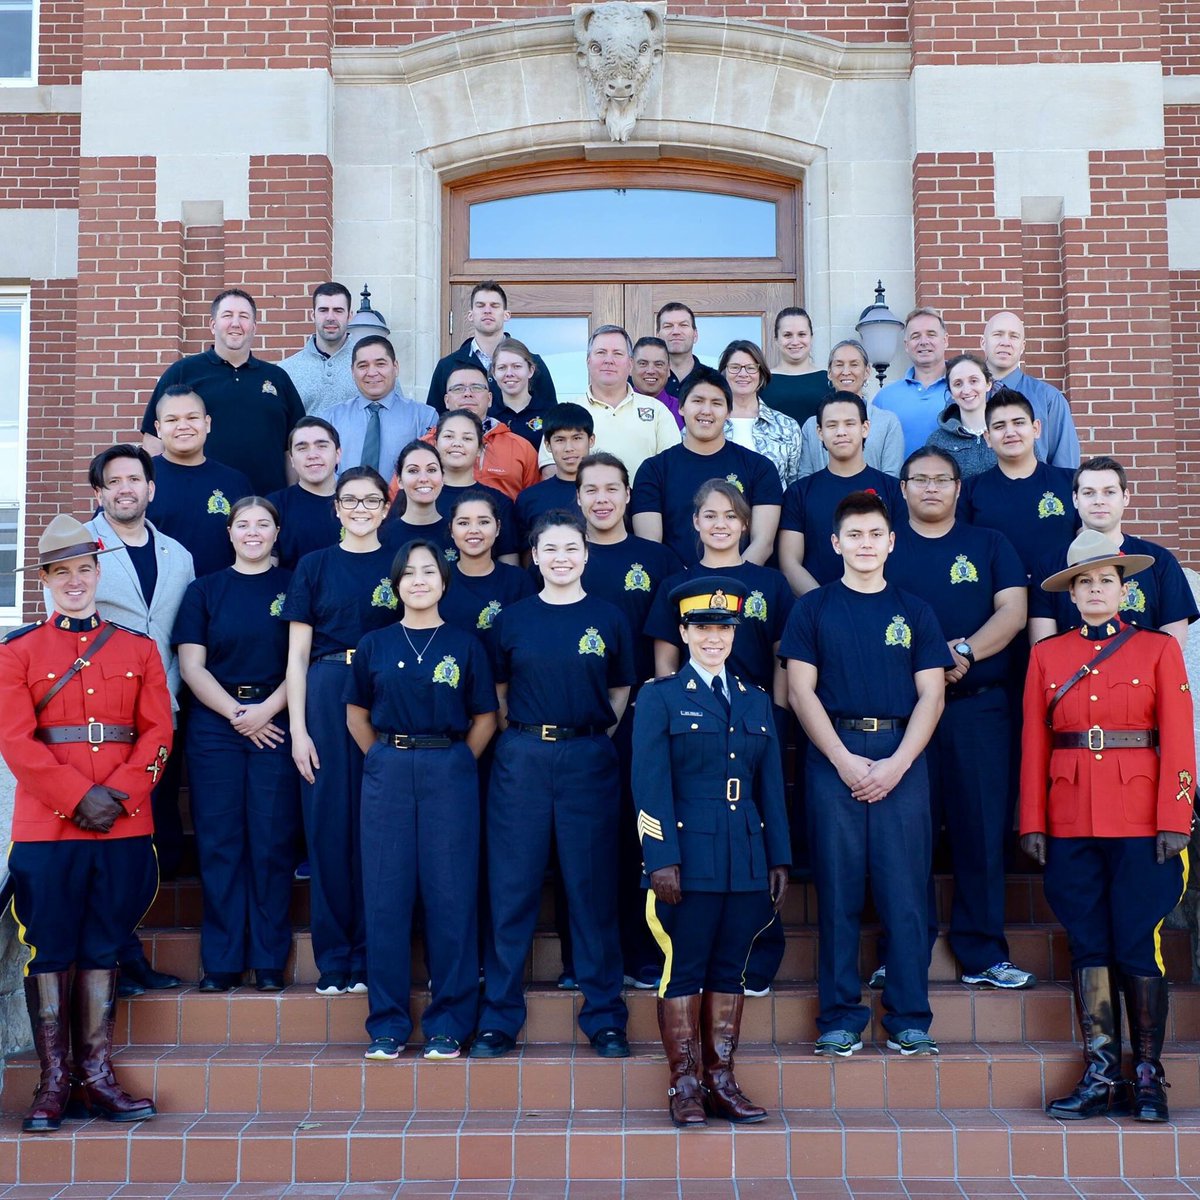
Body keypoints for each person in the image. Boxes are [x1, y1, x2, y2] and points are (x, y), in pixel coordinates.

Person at [0, 514, 173, 1132]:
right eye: (60, 572)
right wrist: (78, 798)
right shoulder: (18, 652)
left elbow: (158, 733)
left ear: (98, 573)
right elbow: (17, 742)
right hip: (48, 829)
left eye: (83, 569)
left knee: (103, 943)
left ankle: (96, 1078)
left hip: (122, 825)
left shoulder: (137, 648)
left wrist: (120, 795)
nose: (73, 581)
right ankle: (53, 1084)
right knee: (49, 949)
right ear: (45, 580)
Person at [1020, 530, 1194, 1122]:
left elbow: (1178, 737)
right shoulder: (1048, 656)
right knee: (1089, 944)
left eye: (1106, 581)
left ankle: (1147, 1075)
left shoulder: (1156, 650)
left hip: (1144, 819)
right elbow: (1034, 741)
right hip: (1071, 819)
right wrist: (1032, 818)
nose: (1095, 591)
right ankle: (1100, 1074)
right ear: (1070, 594)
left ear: (1124, 590)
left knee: (1134, 942)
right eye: (1084, 582)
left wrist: (1176, 813)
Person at [782, 491, 951, 1057]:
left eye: (874, 535)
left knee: (905, 892)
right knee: (839, 892)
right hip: (836, 754)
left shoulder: (916, 610)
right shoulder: (813, 609)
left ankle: (908, 1016)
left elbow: (932, 694)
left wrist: (899, 762)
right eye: (853, 536)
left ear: (891, 542)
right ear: (835, 544)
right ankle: (839, 1016)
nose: (864, 545)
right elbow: (800, 692)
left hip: (903, 753)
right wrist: (843, 759)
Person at [471, 510, 634, 1060]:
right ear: (534, 557)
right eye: (550, 550)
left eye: (571, 549)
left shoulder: (608, 617)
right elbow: (495, 692)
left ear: (586, 555)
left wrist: (587, 736)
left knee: (591, 889)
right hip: (521, 757)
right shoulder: (511, 619)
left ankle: (605, 1016)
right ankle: (498, 1017)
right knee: (512, 888)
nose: (561, 559)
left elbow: (619, 692)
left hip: (588, 756)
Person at [634, 576, 790, 1127]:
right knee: (684, 968)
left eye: (723, 628)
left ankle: (721, 1081)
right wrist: (660, 859)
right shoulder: (660, 697)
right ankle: (684, 1085)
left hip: (744, 857)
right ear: (684, 632)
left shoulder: (755, 699)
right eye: (703, 627)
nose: (714, 638)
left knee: (731, 968)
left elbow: (770, 784)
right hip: (687, 860)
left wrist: (778, 858)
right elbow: (649, 785)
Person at [346, 539, 498, 1061]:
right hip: (388, 769)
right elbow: (356, 715)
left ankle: (449, 1022)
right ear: (395, 585)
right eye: (408, 573)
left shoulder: (465, 644)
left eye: (428, 572)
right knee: (386, 899)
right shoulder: (374, 644)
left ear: (443, 581)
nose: (418, 581)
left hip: (449, 769)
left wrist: (453, 761)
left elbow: (484, 717)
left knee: (451, 897)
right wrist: (387, 760)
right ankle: (387, 1024)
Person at [887, 448, 1034, 991]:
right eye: (919, 479)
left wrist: (964, 652)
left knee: (981, 830)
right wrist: (927, 665)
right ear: (902, 488)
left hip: (979, 710)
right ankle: (901, 952)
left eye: (941, 480)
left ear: (958, 488)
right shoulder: (885, 547)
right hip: (904, 714)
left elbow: (1014, 613)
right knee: (906, 837)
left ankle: (983, 953)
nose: (930, 488)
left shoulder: (989, 543)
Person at [173, 497, 299, 993]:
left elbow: (303, 660)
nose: (252, 532)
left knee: (270, 842)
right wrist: (237, 715)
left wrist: (266, 712)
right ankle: (222, 960)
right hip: (215, 727)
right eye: (242, 524)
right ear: (229, 533)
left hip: (277, 719)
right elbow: (190, 666)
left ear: (276, 531)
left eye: (262, 524)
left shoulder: (294, 585)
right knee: (220, 842)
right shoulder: (204, 590)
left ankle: (269, 959)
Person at [281, 466, 399, 996]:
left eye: (370, 500)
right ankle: (335, 959)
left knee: (378, 831)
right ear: (336, 508)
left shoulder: (399, 563)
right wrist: (299, 731)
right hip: (327, 690)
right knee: (328, 829)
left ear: (385, 507)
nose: (359, 509)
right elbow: (297, 655)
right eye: (349, 501)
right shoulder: (313, 565)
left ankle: (377, 955)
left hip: (385, 693)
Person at [84, 445, 194, 996]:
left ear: (152, 488)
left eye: (135, 478)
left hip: (161, 717)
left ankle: (129, 954)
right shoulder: (80, 549)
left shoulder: (178, 554)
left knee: (145, 842)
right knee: (110, 845)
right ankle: (113, 958)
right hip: (99, 724)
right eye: (114, 481)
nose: (126, 488)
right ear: (99, 493)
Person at [576, 451, 684, 988]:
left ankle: (646, 951)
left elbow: (672, 647)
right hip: (581, 723)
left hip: (645, 720)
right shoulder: (562, 556)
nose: (600, 499)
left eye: (610, 488)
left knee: (645, 835)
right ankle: (591, 958)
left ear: (626, 496)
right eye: (590, 489)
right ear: (577, 499)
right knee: (591, 841)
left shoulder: (658, 560)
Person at [141, 288, 306, 495]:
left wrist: (291, 498)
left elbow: (292, 449)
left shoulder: (278, 378)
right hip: (196, 499)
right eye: (227, 315)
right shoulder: (183, 372)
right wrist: (158, 494)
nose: (235, 323)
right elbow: (153, 442)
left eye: (244, 317)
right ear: (213, 324)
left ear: (254, 327)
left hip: (266, 505)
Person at [1028, 456, 1198, 647]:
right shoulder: (1049, 567)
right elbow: (1043, 648)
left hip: (1142, 675)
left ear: (1125, 497)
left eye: (1109, 492)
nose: (1099, 501)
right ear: (1075, 499)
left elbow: (1172, 646)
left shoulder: (1159, 561)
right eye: (1089, 493)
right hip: (1072, 675)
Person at [631, 367, 782, 566]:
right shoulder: (654, 470)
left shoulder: (759, 468)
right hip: (676, 587)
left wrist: (729, 580)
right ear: (681, 407)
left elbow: (763, 543)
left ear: (729, 412)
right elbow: (651, 545)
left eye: (716, 403)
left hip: (741, 587)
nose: (706, 411)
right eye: (697, 401)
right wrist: (689, 583)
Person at [777, 392, 906, 595]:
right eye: (831, 425)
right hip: (817, 610)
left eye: (849, 423)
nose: (841, 432)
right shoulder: (799, 492)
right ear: (819, 432)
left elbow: (902, 555)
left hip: (881, 609)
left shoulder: (893, 490)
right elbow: (789, 562)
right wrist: (824, 606)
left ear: (865, 428)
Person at [958, 388, 1077, 577]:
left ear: (1036, 428)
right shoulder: (969, 491)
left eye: (1019, 423)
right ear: (988, 438)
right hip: (997, 600)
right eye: (999, 426)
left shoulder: (1072, 482)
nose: (1010, 432)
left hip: (1062, 598)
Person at [537, 325, 680, 482]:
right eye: (601, 353)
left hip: (643, 505)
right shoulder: (565, 412)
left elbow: (673, 468)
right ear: (588, 361)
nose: (609, 360)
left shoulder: (658, 410)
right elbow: (551, 470)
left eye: (617, 353)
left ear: (630, 364)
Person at [146, 386, 254, 577]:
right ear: (158, 428)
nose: (183, 426)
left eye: (192, 418)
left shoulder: (235, 482)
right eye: (172, 420)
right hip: (159, 600)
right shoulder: (140, 479)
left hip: (219, 600)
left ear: (207, 423)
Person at [428, 281, 557, 415]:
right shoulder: (447, 366)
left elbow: (552, 417)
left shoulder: (531, 362)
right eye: (480, 306)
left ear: (506, 315)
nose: (487, 310)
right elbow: (435, 420)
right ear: (470, 315)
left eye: (494, 306)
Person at [440, 491, 537, 659]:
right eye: (463, 523)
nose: (474, 530)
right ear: (451, 530)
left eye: (484, 522)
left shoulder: (519, 582)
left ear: (498, 528)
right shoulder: (438, 580)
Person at [326, 335, 437, 478]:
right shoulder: (330, 418)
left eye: (380, 364)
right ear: (353, 372)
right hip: (345, 499)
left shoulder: (424, 417)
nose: (372, 373)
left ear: (395, 368)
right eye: (363, 366)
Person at [981, 311, 1080, 469]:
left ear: (1023, 346)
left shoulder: (1049, 399)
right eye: (998, 334)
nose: (1005, 342)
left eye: (1013, 336)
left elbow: (1066, 470)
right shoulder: (964, 396)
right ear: (983, 342)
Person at [796, 340, 904, 478]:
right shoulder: (812, 426)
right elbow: (805, 478)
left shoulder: (888, 422)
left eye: (854, 364)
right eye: (839, 365)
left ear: (867, 371)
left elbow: (892, 478)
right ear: (829, 372)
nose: (846, 372)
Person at [439, 363, 541, 501]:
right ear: (446, 400)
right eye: (458, 388)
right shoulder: (427, 446)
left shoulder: (521, 448)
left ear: (490, 399)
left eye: (476, 387)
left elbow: (535, 506)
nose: (467, 394)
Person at [432, 410, 521, 563]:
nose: (457, 443)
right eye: (448, 436)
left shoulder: (499, 501)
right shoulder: (417, 496)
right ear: (435, 443)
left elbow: (509, 563)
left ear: (480, 448)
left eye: (467, 438)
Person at [719, 339, 803, 488]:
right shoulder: (708, 423)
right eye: (735, 367)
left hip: (775, 510)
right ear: (723, 373)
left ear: (761, 374)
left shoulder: (786, 426)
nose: (743, 374)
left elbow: (794, 484)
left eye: (751, 368)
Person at [513, 403, 595, 548]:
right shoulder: (530, 498)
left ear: (591, 440)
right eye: (560, 440)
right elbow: (526, 557)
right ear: (547, 445)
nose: (569, 448)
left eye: (577, 438)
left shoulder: (610, 494)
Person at [267, 417, 344, 571]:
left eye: (322, 446)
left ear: (338, 454)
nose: (312, 455)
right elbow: (267, 568)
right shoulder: (274, 506)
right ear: (292, 460)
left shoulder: (358, 503)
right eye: (302, 448)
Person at [872, 308, 950, 457]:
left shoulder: (966, 392)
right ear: (906, 345)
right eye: (916, 336)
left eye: (931, 334)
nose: (923, 342)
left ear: (945, 340)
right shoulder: (885, 398)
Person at [279, 282, 363, 415]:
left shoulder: (371, 365)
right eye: (323, 310)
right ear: (313, 315)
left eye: (338, 310)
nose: (330, 317)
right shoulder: (286, 370)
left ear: (350, 316)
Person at [925, 353, 996, 479]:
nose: (967, 390)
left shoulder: (1009, 431)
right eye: (958, 384)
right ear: (951, 392)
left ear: (988, 384)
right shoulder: (937, 441)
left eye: (973, 381)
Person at [380, 441, 456, 558]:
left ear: (443, 478)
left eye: (431, 470)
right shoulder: (382, 537)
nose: (423, 478)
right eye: (413, 471)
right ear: (399, 480)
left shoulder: (457, 534)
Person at [759, 306, 830, 428]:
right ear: (776, 339)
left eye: (802, 334)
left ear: (811, 337)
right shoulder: (762, 381)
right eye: (787, 335)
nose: (795, 341)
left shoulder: (829, 380)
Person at [489, 337, 555, 450]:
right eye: (502, 367)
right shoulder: (487, 416)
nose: (509, 373)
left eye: (517, 366)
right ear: (494, 373)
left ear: (530, 371)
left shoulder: (550, 414)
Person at [631, 336, 682, 428]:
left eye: (658, 364)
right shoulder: (615, 408)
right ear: (630, 367)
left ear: (669, 369)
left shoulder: (683, 411)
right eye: (643, 364)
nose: (651, 371)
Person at [657, 302, 705, 399]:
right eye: (668, 326)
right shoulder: (642, 380)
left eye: (683, 325)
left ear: (695, 335)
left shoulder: (714, 380)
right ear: (658, 336)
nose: (676, 332)